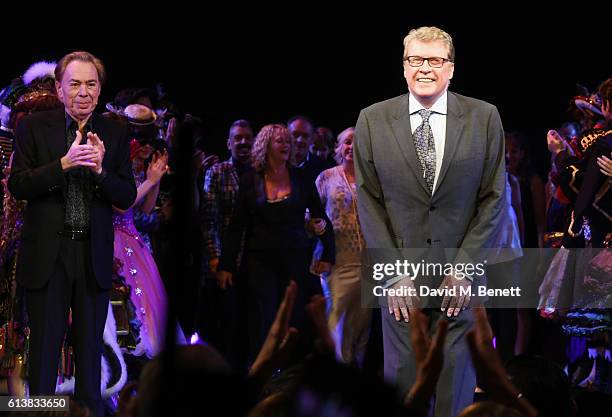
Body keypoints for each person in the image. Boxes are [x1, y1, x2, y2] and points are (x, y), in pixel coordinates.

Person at [353, 26, 506, 416]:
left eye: (435, 60)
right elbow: (369, 203)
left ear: (451, 68)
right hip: (399, 284)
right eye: (415, 59)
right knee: (403, 394)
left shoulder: (484, 117)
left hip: (462, 283)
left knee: (454, 395)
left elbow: (493, 199)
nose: (424, 68)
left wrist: (465, 269)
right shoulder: (372, 119)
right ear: (403, 66)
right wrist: (393, 273)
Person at [8, 51, 136, 417]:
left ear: (99, 91)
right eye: (75, 84)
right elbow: (18, 185)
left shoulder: (114, 131)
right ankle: (41, 412)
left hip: (91, 255)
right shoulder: (32, 127)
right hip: (48, 253)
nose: (83, 92)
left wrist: (100, 172)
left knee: (90, 351)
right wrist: (62, 165)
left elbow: (126, 195)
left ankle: (88, 410)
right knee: (44, 351)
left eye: (91, 84)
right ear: (60, 90)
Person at [217, 124, 335, 359]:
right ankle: (265, 372)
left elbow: (320, 216)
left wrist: (328, 254)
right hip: (260, 261)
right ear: (265, 145)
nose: (286, 145)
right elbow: (237, 226)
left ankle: (291, 374)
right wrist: (226, 265)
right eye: (280, 141)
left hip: (295, 259)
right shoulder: (251, 180)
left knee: (295, 317)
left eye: (287, 141)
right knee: (265, 317)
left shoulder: (300, 178)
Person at [315, 127, 371, 366]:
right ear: (339, 147)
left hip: (369, 263)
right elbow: (311, 214)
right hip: (338, 262)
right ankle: (338, 381)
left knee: (361, 328)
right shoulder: (326, 177)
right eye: (347, 142)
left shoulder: (372, 181)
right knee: (337, 324)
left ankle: (355, 379)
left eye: (357, 143)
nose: (351, 147)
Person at [201, 119, 254, 370]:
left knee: (253, 323)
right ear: (229, 143)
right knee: (228, 324)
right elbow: (208, 219)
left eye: (247, 137)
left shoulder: (261, 172)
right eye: (238, 138)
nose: (243, 142)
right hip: (228, 262)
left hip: (256, 260)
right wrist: (216, 258)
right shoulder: (218, 171)